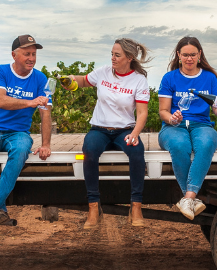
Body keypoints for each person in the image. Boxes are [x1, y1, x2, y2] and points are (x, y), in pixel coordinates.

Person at [61, 38, 152, 229]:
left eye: (117, 55)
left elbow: (142, 113)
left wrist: (135, 133)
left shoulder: (139, 80)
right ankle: (94, 207)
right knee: (89, 150)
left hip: (125, 131)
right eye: (112, 53)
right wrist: (70, 80)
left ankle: (136, 206)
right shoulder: (103, 72)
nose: (113, 58)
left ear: (129, 58)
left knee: (137, 153)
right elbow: (84, 81)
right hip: (100, 129)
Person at [0, 34, 53, 228]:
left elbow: (45, 112)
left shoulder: (40, 78)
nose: (31, 58)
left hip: (17, 133)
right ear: (14, 54)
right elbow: (1, 100)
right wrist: (30, 102)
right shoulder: (0, 71)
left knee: (21, 152)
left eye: (34, 54)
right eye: (27, 54)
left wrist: (46, 144)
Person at [158, 36, 217, 220]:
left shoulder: (209, 78)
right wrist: (172, 118)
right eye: (185, 55)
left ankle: (188, 198)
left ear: (199, 55)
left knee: (207, 143)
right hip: (173, 126)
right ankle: (191, 198)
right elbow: (163, 112)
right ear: (178, 55)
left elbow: (216, 110)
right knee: (180, 145)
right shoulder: (170, 78)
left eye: (192, 54)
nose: (189, 58)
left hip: (202, 124)